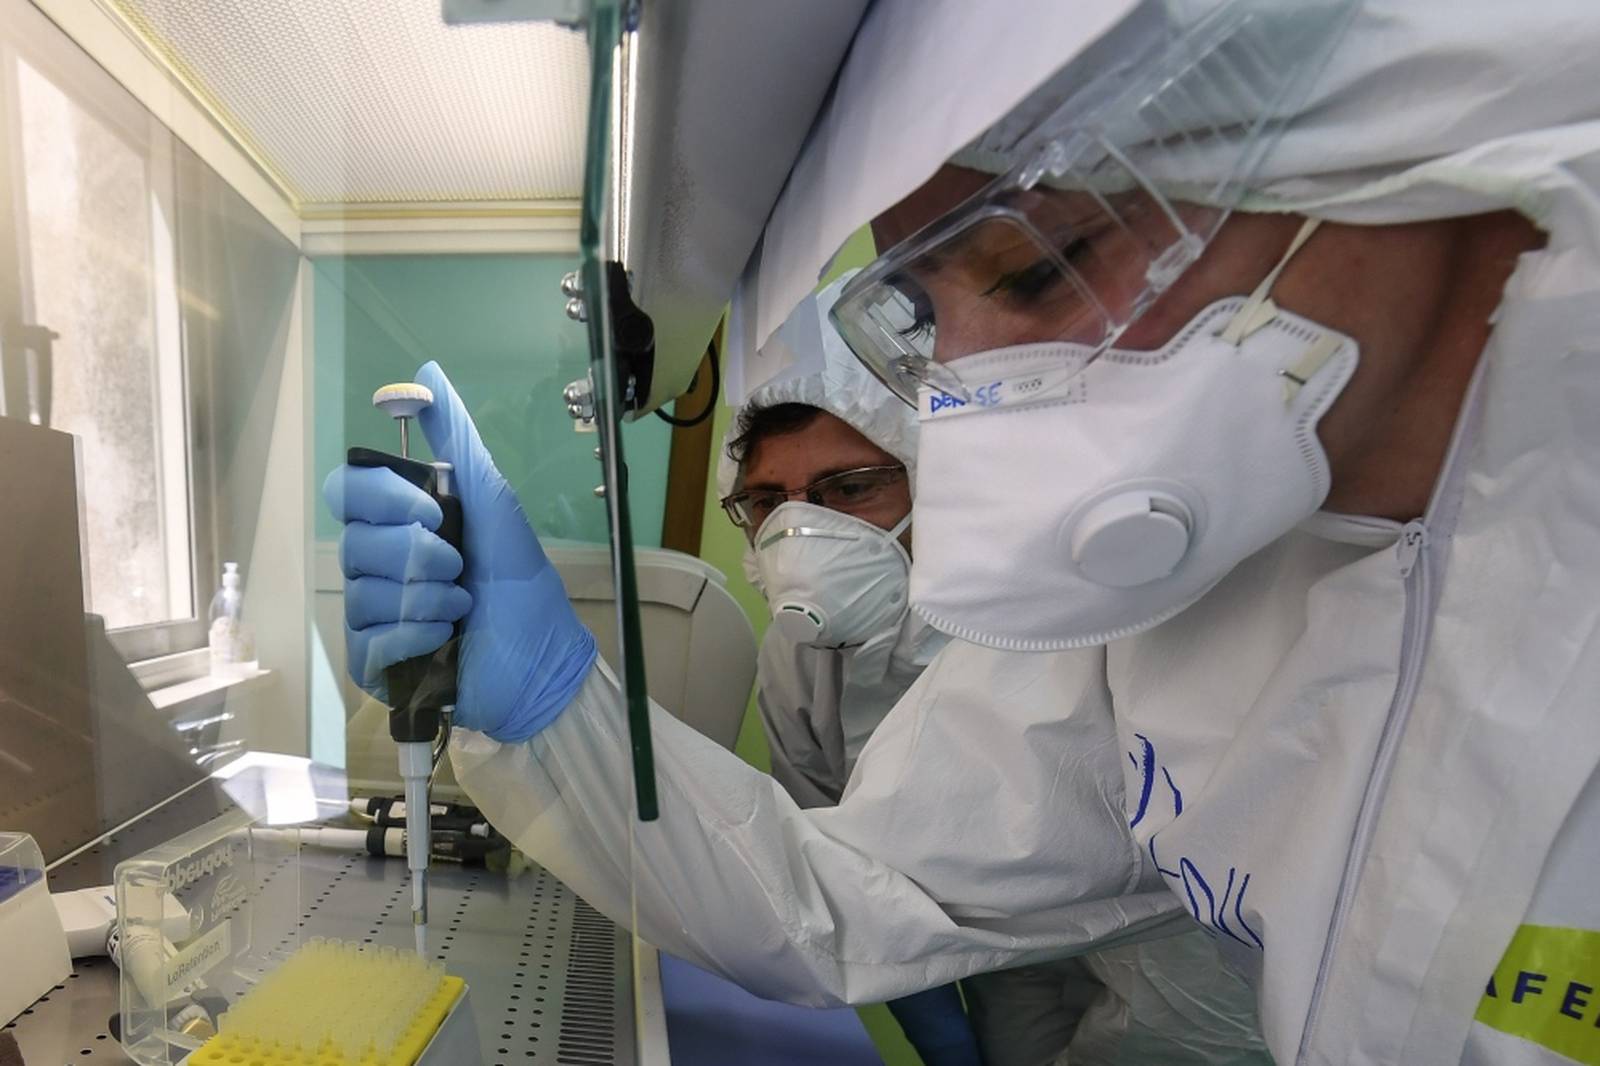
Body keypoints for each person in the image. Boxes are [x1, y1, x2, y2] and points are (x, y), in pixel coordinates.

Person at [323, 2, 1600, 1063]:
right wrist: (554, 707)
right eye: (926, 319)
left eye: (1045, 264)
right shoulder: (1147, 617)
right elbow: (849, 892)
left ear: (1409, 147)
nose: (974, 391)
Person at [719, 276, 981, 1063]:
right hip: (965, 957)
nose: (803, 530)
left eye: (853, 487)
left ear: (926, 475)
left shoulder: (1027, 625)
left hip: (1151, 960)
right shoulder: (792, 659)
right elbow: (839, 871)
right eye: (769, 501)